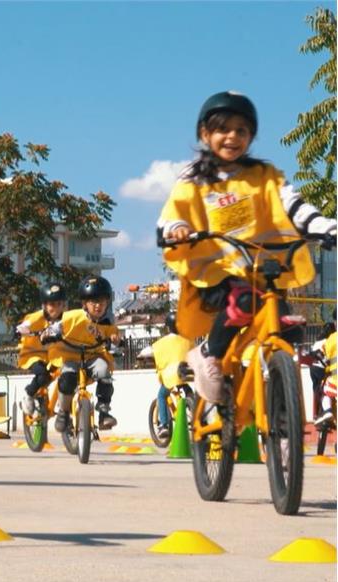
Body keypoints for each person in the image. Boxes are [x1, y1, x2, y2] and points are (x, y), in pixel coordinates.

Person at [157, 91, 337, 405]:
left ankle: (281, 412)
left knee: (286, 326)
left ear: (251, 136)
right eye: (223, 129)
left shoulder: (264, 176)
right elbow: (173, 215)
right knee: (241, 299)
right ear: (205, 134)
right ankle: (208, 355)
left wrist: (322, 226)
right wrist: (177, 229)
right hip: (216, 273)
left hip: (261, 270)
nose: (232, 136)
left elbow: (292, 205)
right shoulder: (195, 179)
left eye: (242, 130)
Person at [43, 276, 120, 432]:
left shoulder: (107, 321)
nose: (98, 306)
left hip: (93, 357)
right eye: (93, 302)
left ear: (107, 303)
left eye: (102, 302)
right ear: (85, 304)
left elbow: (114, 335)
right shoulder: (74, 316)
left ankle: (104, 413)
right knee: (67, 380)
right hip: (70, 356)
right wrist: (46, 334)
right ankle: (64, 413)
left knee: (104, 371)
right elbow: (56, 327)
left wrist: (115, 339)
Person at [15, 282, 66, 416]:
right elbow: (25, 325)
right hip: (33, 355)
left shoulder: (66, 319)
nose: (56, 308)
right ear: (44, 305)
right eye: (52, 305)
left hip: (54, 355)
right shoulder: (37, 317)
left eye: (59, 304)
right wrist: (20, 330)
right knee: (43, 375)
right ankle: (29, 393)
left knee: (69, 372)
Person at [140, 312, 193, 441]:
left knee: (161, 396)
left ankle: (163, 425)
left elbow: (147, 351)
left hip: (171, 377)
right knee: (188, 391)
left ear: (168, 327)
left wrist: (140, 356)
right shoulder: (188, 340)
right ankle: (194, 409)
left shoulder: (162, 343)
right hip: (186, 374)